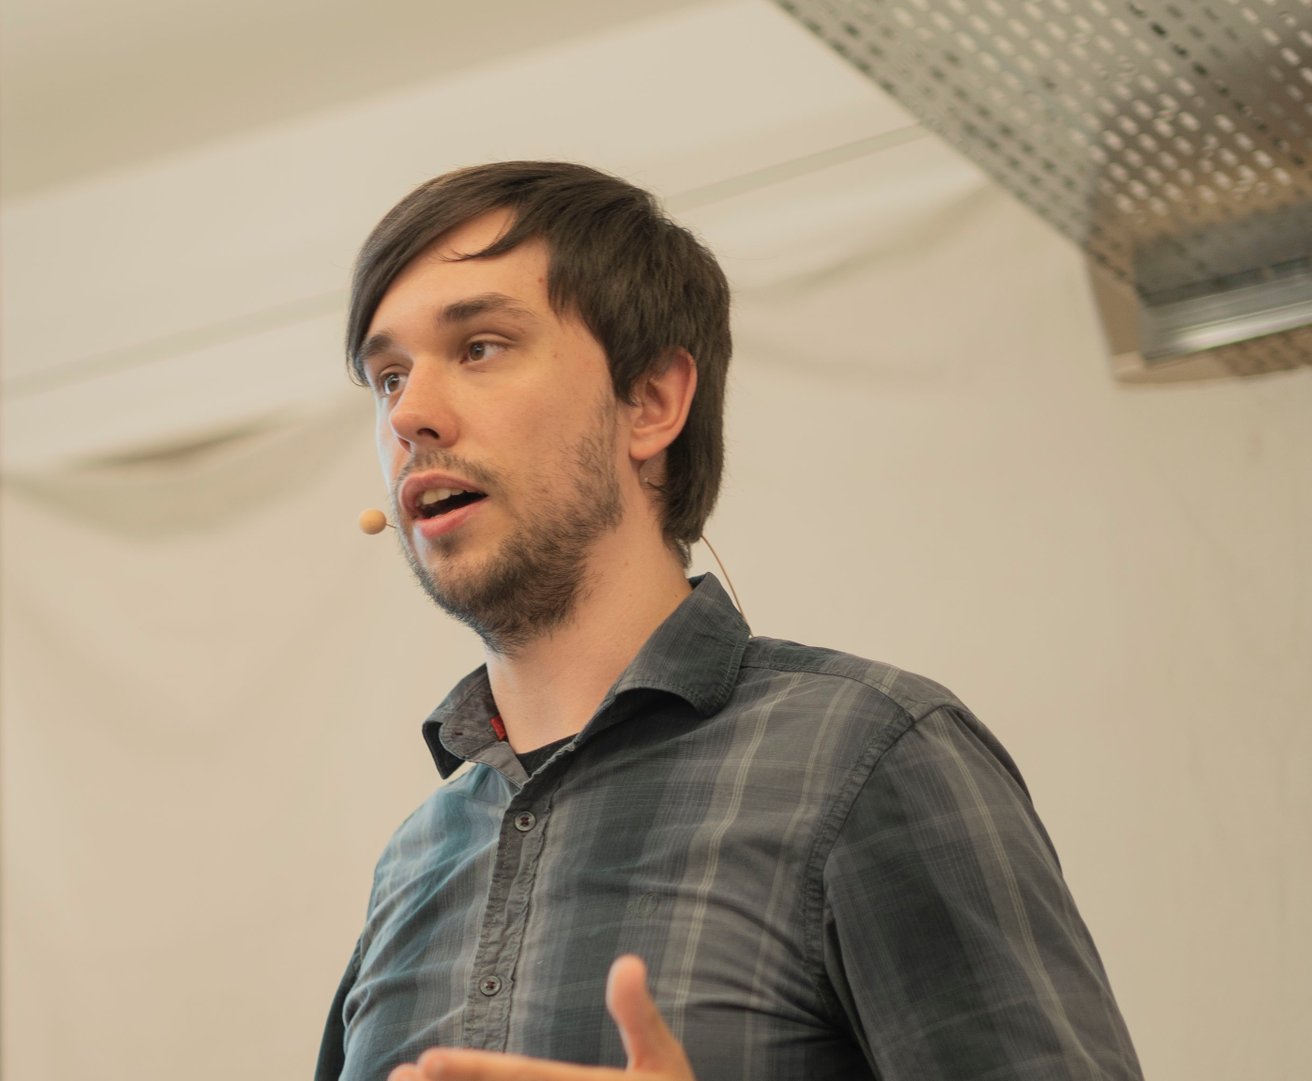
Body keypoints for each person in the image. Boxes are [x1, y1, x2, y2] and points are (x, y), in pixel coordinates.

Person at [315, 162, 1141, 1081]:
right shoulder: (413, 864)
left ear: (651, 401)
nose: (411, 415)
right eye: (388, 377)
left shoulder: (870, 755)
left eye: (480, 347)